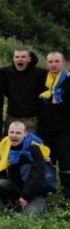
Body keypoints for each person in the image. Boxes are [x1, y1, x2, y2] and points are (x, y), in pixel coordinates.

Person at [0, 121, 55, 215]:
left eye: (18, 133)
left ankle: (37, 202)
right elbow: (12, 175)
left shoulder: (34, 147)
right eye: (11, 132)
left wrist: (25, 196)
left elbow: (38, 176)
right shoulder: (5, 145)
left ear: (25, 134)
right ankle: (15, 202)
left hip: (36, 189)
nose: (14, 135)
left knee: (29, 215)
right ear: (8, 132)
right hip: (20, 186)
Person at [37, 52, 70, 199]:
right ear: (47, 64)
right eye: (50, 62)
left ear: (63, 63)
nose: (54, 64)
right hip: (45, 127)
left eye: (57, 61)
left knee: (66, 159)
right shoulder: (42, 79)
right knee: (48, 158)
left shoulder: (68, 80)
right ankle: (49, 188)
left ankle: (67, 190)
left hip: (65, 128)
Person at [3, 48, 47, 134]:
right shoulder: (6, 71)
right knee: (9, 144)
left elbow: (56, 75)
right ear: (13, 58)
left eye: (23, 57)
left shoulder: (41, 73)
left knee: (30, 144)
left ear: (29, 59)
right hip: (12, 117)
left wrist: (66, 73)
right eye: (17, 57)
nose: (20, 59)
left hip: (31, 119)